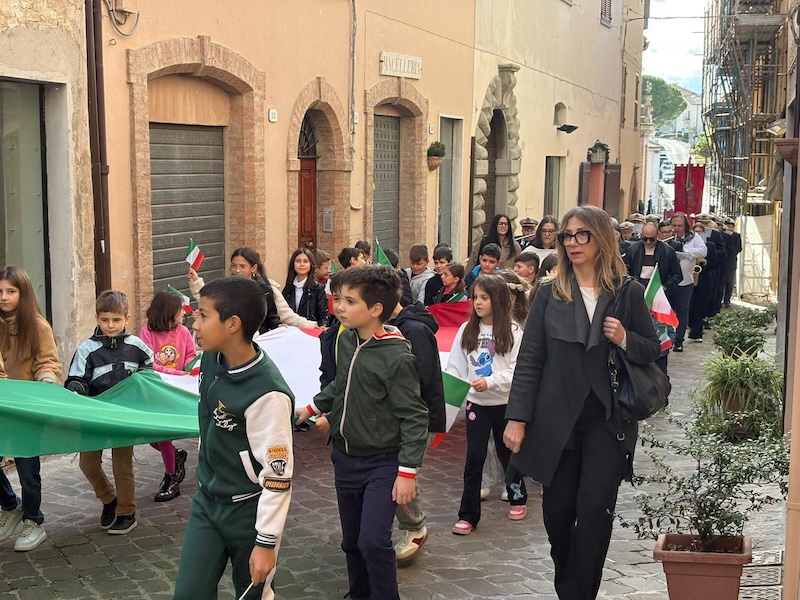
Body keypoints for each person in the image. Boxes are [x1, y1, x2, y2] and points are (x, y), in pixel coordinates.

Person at [504, 205, 660, 600]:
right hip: (556, 421)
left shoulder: (626, 294)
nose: (572, 243)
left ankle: (579, 595)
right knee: (558, 516)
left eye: (581, 235)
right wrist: (517, 418)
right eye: (567, 236)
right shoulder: (549, 295)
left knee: (594, 513)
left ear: (601, 238)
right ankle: (568, 585)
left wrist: (624, 337)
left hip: (608, 421)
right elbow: (530, 359)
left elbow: (650, 349)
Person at [295, 265, 428, 600]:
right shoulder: (348, 339)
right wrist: (312, 408)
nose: (339, 307)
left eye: (349, 301)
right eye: (338, 298)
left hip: (383, 463)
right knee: (352, 542)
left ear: (376, 310)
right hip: (345, 459)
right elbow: (343, 384)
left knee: (372, 540)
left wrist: (407, 472)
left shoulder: (396, 355)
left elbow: (414, 416)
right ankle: (359, 594)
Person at [173, 277, 294, 600]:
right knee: (188, 594)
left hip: (249, 513)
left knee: (253, 594)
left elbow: (279, 475)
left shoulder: (267, 393)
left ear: (233, 324)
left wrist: (266, 542)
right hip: (208, 503)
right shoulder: (212, 358)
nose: (193, 323)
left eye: (202, 315)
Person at [66, 290, 154, 535]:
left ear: (126, 319)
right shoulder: (87, 349)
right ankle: (109, 500)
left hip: (123, 417)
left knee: (122, 466)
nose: (110, 325)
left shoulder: (138, 347)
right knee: (88, 464)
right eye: (105, 320)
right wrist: (75, 390)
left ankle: (127, 512)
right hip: (94, 416)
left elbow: (150, 373)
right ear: (97, 319)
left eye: (116, 320)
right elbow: (76, 378)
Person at [447, 274, 528, 535]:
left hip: (505, 404)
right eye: (475, 297)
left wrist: (491, 382)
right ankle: (468, 514)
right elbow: (455, 367)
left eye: (484, 297)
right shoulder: (465, 330)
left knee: (508, 454)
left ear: (499, 299)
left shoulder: (514, 332)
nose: (478, 303)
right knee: (474, 458)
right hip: (476, 404)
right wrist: (454, 389)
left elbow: (519, 370)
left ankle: (517, 496)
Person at [0, 266, 62, 551]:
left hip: (28, 409)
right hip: (3, 406)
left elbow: (47, 362)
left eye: (11, 291)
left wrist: (46, 380)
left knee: (28, 469)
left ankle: (34, 522)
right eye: (0, 291)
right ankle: (11, 505)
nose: (4, 297)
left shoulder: (38, 327)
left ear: (23, 294)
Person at [386, 297, 446, 563]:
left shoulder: (413, 330)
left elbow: (417, 379)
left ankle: (414, 528)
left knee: (401, 471)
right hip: (404, 416)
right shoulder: (398, 326)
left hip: (417, 418)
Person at [138, 290, 195, 501]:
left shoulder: (183, 332)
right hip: (156, 388)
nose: (184, 313)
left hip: (176, 389)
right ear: (169, 312)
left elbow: (190, 355)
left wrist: (191, 366)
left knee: (163, 438)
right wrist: (176, 372)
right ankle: (176, 456)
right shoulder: (147, 333)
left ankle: (171, 478)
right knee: (152, 436)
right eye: (181, 310)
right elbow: (148, 363)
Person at [190, 247, 321, 331]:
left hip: (261, 342)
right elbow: (209, 300)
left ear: (253, 268)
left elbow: (286, 314)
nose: (237, 270)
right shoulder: (228, 289)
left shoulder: (267, 289)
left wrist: (311, 326)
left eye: (242, 266)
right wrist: (196, 281)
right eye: (234, 266)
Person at [666, 213, 707, 352]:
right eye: (674, 225)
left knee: (682, 311)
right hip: (668, 281)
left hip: (686, 280)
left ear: (685, 226)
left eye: (679, 226)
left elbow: (703, 250)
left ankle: (679, 340)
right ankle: (665, 338)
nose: (676, 228)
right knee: (666, 311)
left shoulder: (693, 237)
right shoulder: (667, 237)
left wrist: (686, 252)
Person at [623, 222, 682, 293]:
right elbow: (625, 271)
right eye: (644, 239)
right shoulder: (633, 249)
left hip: (659, 293)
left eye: (651, 239)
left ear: (658, 235)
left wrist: (665, 286)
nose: (648, 242)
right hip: (636, 290)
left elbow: (677, 274)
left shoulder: (668, 251)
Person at [687, 222, 720, 343]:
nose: (698, 234)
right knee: (690, 306)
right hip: (690, 278)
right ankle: (690, 325)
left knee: (701, 306)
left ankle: (697, 332)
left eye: (700, 232)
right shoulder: (688, 244)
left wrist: (704, 261)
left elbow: (716, 263)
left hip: (705, 279)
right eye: (696, 232)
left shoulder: (710, 245)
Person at [282, 248, 329, 327]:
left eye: (305, 261)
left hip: (310, 330)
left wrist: (322, 327)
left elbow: (323, 314)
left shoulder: (318, 288)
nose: (302, 264)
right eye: (298, 261)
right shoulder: (288, 288)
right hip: (291, 330)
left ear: (311, 264)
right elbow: (282, 312)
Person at [722, 217, 742, 307]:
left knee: (729, 282)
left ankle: (727, 300)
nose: (729, 228)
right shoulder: (721, 235)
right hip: (722, 261)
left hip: (731, 262)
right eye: (728, 226)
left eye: (731, 226)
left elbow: (739, 248)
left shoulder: (736, 236)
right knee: (721, 282)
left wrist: (731, 250)